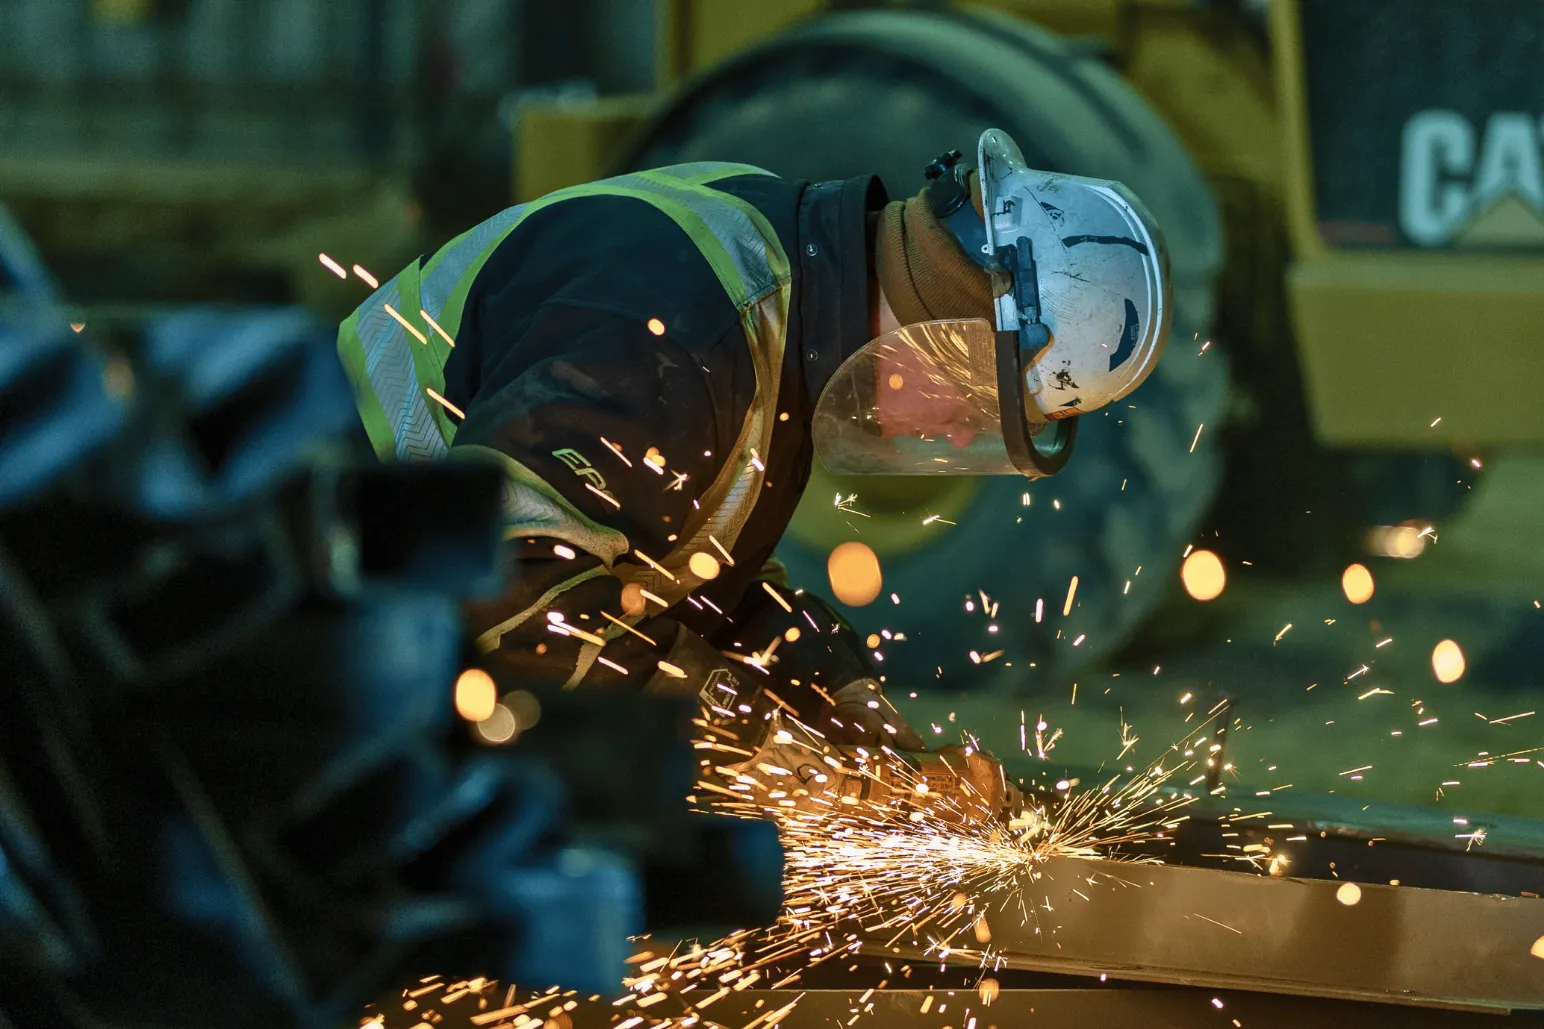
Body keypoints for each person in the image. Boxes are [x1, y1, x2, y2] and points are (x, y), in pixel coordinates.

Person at [336, 129, 1170, 775]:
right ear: (949, 331)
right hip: (318, 571)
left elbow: (672, 580)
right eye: (984, 404)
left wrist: (839, 700)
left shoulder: (782, 289)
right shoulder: (681, 329)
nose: (958, 435)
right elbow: (515, 585)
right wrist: (755, 740)